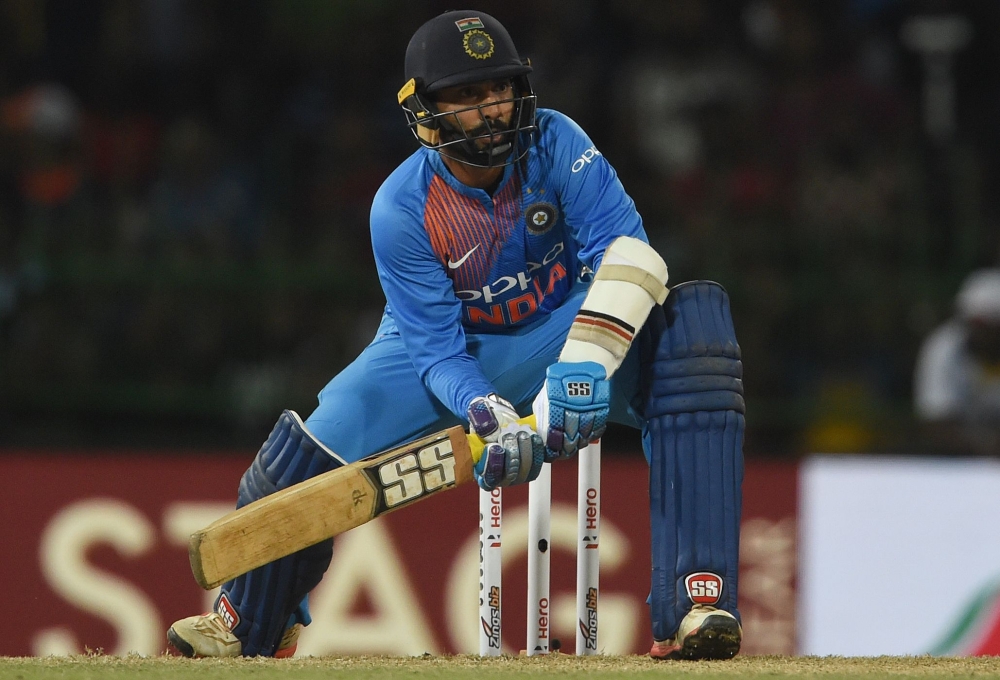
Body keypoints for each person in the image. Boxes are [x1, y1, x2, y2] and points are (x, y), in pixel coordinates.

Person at [166, 10, 746, 661]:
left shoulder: (558, 142)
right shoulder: (401, 206)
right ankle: (249, 623)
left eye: (498, 89)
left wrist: (581, 366)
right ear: (426, 112)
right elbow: (434, 348)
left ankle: (699, 602)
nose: (491, 109)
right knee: (301, 461)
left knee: (695, 330)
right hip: (457, 351)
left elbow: (633, 260)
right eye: (467, 97)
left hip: (569, 330)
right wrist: (485, 411)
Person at [914, 268, 1000, 456]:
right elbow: (935, 421)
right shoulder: (944, 348)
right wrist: (986, 447)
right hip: (958, 461)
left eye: (986, 325)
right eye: (973, 322)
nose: (978, 332)